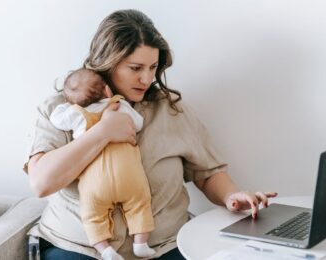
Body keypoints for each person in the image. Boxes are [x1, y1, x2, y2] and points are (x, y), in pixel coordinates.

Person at [25, 9, 277, 260]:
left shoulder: (170, 110)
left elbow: (207, 172)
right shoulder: (61, 109)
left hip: (164, 246)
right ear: (108, 62)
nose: (146, 79)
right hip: (78, 247)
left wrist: (231, 196)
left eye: (153, 67)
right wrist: (101, 133)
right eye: (135, 68)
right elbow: (41, 182)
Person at [49, 68, 155, 260]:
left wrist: (68, 105)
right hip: (129, 176)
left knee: (91, 215)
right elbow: (138, 123)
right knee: (140, 204)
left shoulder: (77, 114)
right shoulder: (119, 105)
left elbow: (56, 118)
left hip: (95, 181)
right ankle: (141, 244)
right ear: (107, 90)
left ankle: (105, 250)